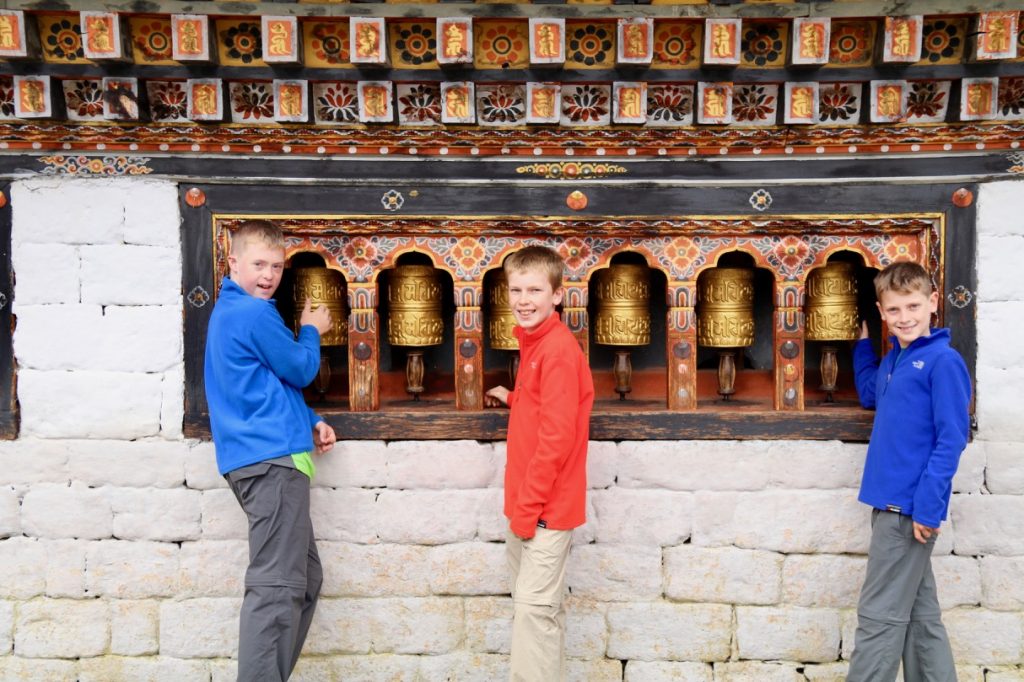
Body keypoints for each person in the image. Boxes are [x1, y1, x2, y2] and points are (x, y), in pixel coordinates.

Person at [204, 219, 337, 682]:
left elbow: (270, 384)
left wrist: (312, 420)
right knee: (277, 587)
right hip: (271, 463)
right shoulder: (256, 314)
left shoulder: (231, 311)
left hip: (266, 458)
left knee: (305, 580)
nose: (269, 275)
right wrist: (311, 328)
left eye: (277, 266)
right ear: (233, 262)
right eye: (258, 264)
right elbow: (300, 369)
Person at [846, 261, 971, 682]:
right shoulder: (895, 359)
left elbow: (951, 439)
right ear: (882, 312)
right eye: (895, 310)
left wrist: (927, 508)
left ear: (933, 303)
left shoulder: (942, 361)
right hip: (887, 504)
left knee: (879, 617)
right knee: (920, 618)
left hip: (908, 509)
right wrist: (863, 347)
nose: (906, 318)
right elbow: (870, 394)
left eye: (914, 306)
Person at [485, 245, 595, 682]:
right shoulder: (535, 345)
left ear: (557, 295)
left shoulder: (557, 351)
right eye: (516, 289)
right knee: (540, 617)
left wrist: (527, 513)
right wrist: (513, 398)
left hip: (544, 511)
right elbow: (547, 410)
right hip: (528, 508)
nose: (523, 299)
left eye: (534, 289)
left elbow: (557, 439)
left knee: (534, 617)